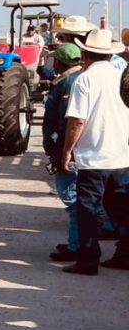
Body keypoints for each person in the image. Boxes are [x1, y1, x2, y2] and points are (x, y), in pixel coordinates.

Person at [60, 29, 129, 275]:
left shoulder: (85, 80)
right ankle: (125, 254)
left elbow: (77, 120)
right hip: (121, 155)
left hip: (93, 158)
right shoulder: (123, 75)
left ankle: (88, 260)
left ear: (86, 54)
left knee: (88, 210)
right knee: (121, 210)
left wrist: (67, 150)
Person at [41, 43, 83, 261]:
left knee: (72, 197)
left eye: (54, 60)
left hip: (66, 148)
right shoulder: (72, 78)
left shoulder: (68, 83)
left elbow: (65, 122)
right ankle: (77, 242)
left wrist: (61, 152)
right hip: (68, 147)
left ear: (59, 62)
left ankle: (77, 246)